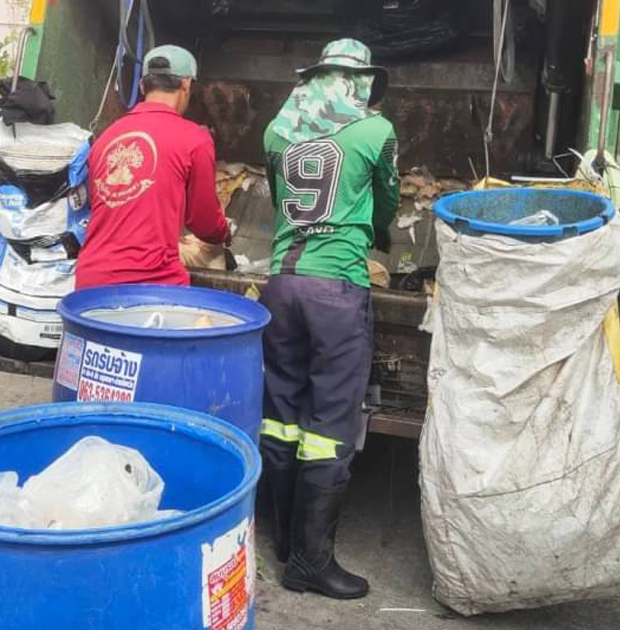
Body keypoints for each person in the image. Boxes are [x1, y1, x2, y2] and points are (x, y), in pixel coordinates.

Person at [258, 38, 399, 600]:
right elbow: (386, 202)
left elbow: (277, 197)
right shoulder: (375, 131)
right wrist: (369, 223)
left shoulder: (276, 133)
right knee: (329, 426)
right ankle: (311, 564)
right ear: (359, 82)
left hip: (282, 286)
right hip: (336, 289)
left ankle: (285, 543)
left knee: (281, 415)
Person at [75, 44, 231, 289]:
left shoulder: (106, 138)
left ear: (141, 86)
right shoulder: (194, 138)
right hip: (150, 284)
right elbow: (203, 222)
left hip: (89, 280)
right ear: (187, 85)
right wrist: (223, 233)